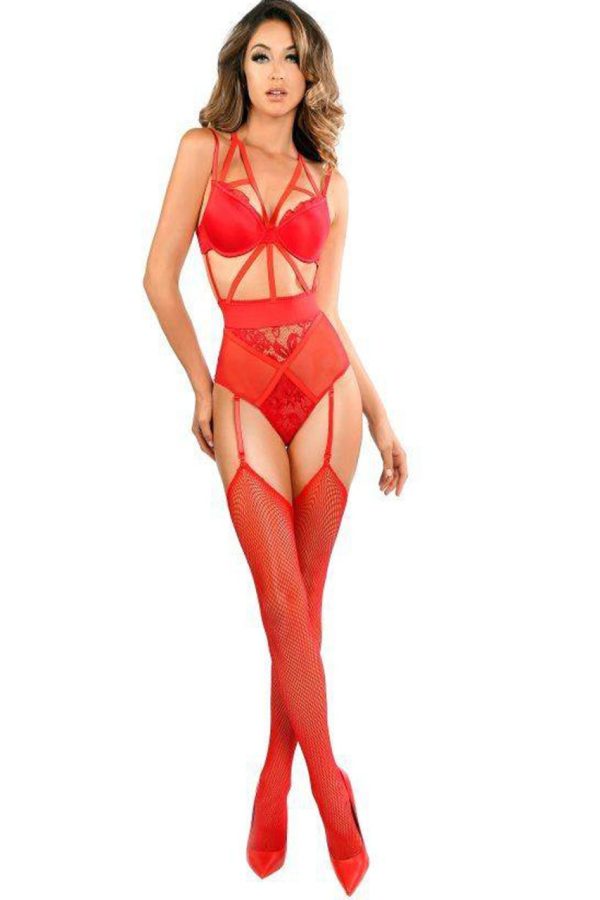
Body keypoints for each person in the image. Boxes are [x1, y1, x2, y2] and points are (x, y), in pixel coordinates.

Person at [143, 0, 408, 893]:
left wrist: (380, 418)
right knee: (282, 602)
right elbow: (158, 277)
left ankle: (276, 774)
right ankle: (330, 790)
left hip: (327, 390)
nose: (277, 73)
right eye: (261, 56)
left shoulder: (329, 180)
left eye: (292, 58)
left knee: (308, 603)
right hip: (243, 387)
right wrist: (199, 386)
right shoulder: (201, 151)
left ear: (310, 74)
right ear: (240, 68)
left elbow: (329, 310)